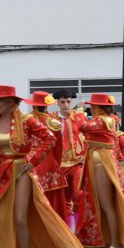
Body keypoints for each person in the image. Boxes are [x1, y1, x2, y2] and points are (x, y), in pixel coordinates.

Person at [0, 85, 85, 248]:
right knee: (2, 219)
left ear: (11, 102)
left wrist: (32, 161)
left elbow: (49, 139)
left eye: (0, 100)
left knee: (21, 219)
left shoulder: (26, 120)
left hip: (21, 170)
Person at [74, 93, 124, 248]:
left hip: (101, 159)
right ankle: (98, 240)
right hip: (95, 157)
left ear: (99, 107)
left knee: (106, 203)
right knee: (93, 201)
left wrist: (79, 112)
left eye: (93, 105)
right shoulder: (105, 119)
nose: (91, 108)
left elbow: (83, 127)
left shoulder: (104, 120)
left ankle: (114, 243)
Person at [24, 91, 68, 223]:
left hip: (29, 161)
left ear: (33, 106)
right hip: (49, 162)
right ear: (47, 106)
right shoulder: (53, 123)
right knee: (52, 200)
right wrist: (56, 164)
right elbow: (58, 149)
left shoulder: (26, 121)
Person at [53, 89, 85, 230]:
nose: (66, 105)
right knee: (64, 200)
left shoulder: (78, 117)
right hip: (59, 165)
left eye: (68, 101)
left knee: (78, 195)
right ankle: (67, 233)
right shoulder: (51, 119)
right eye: (63, 102)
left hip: (77, 162)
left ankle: (79, 232)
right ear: (57, 103)